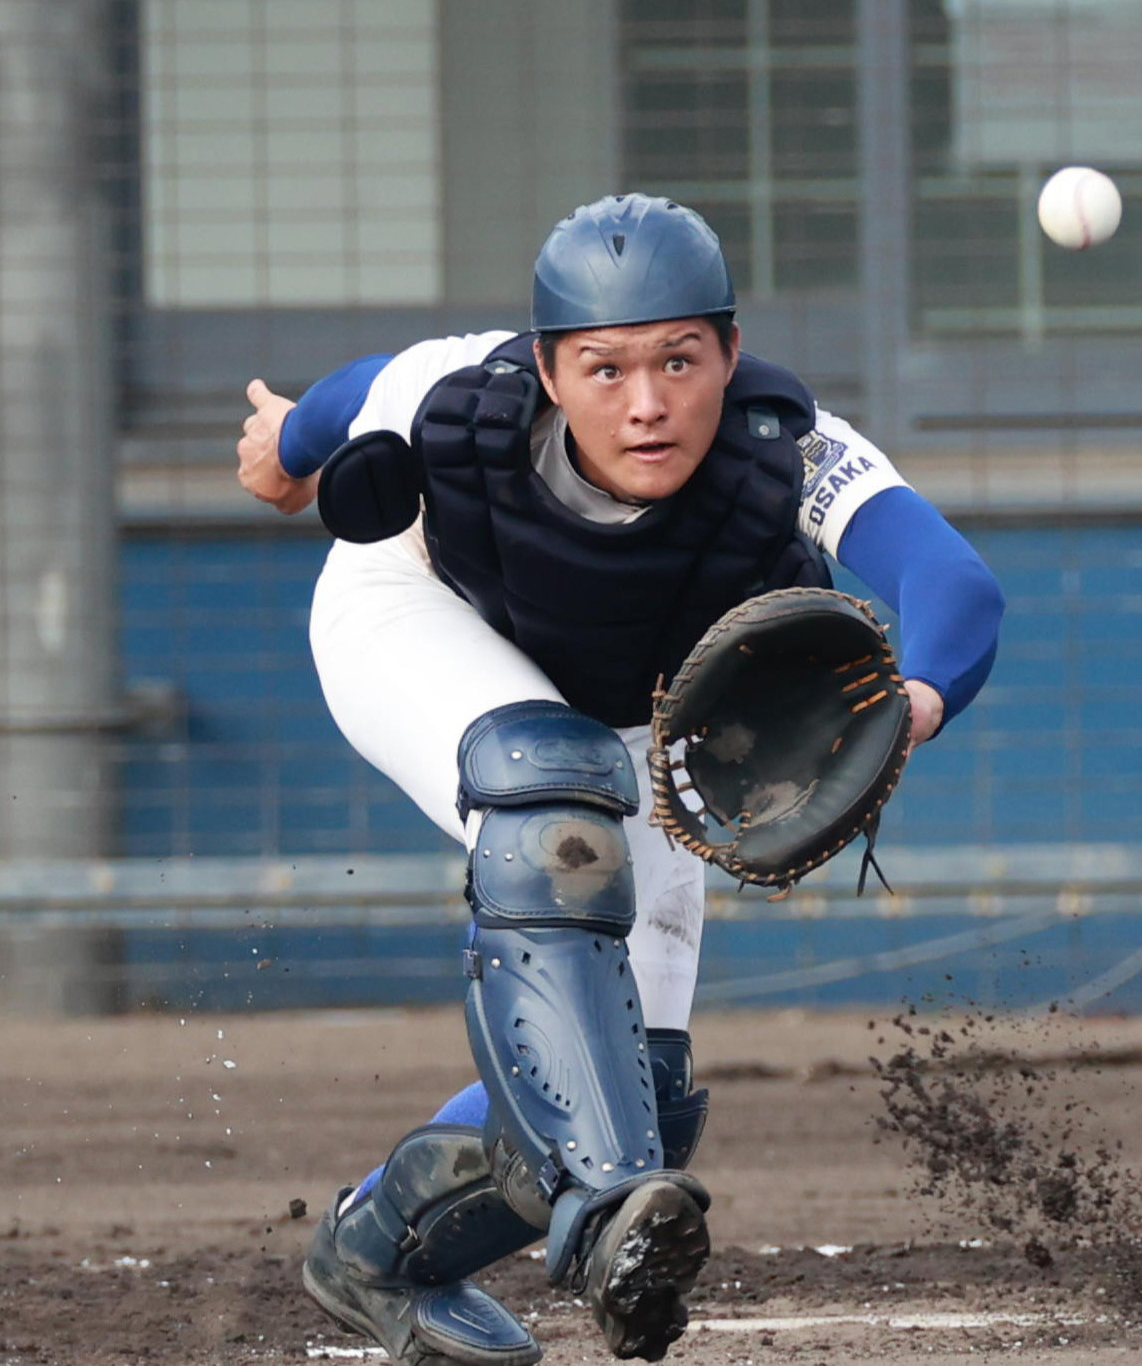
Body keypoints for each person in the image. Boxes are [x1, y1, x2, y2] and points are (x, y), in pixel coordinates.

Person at [236, 193, 1006, 1365]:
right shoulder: (459, 390)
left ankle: (376, 1248)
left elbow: (953, 582)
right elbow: (348, 396)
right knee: (548, 798)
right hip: (410, 612)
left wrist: (917, 702)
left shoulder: (782, 444)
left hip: (620, 721)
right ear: (548, 368)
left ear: (730, 352)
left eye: (677, 360)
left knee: (638, 1087)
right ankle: (604, 1214)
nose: (645, 403)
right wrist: (288, 453)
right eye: (602, 368)